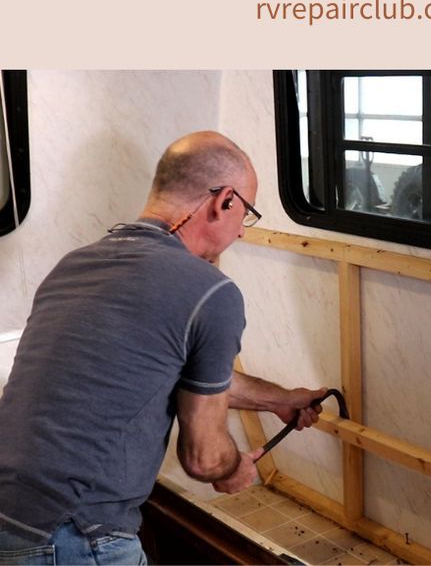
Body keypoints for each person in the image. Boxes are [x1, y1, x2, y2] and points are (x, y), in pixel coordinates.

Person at [0, 132, 325, 565]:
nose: (242, 234)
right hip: (71, 534)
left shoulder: (76, 264)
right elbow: (204, 459)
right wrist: (235, 468)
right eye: (246, 213)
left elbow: (174, 370)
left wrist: (281, 400)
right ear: (224, 201)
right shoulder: (210, 292)